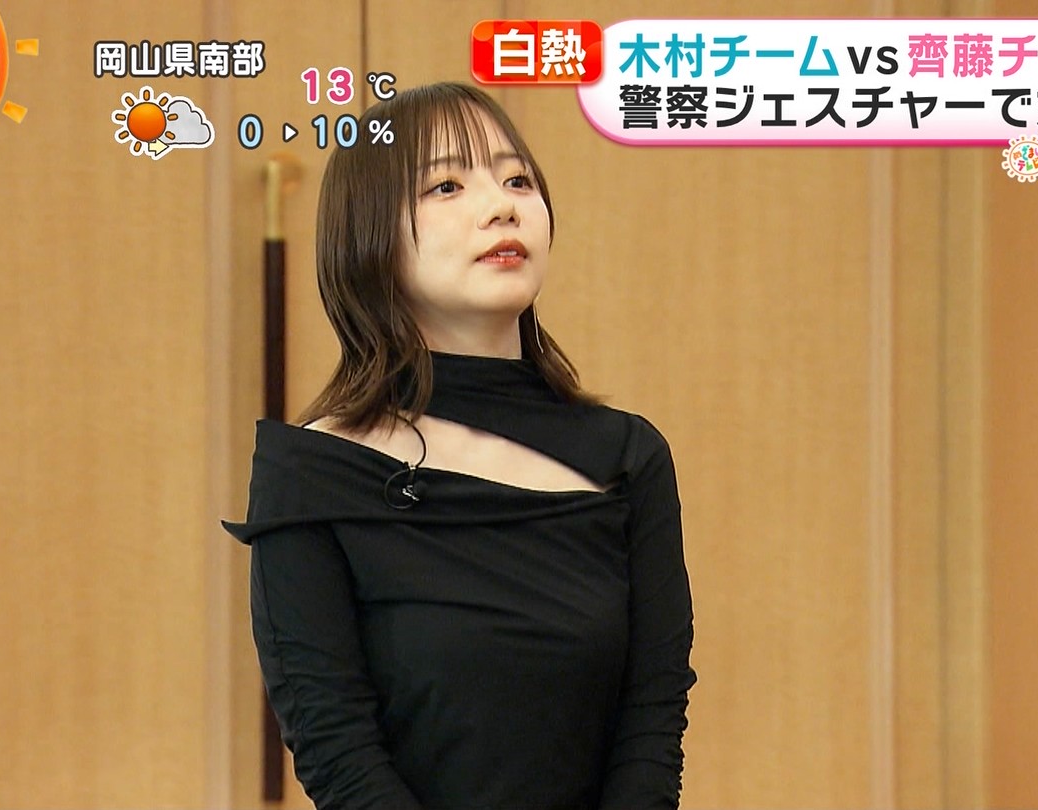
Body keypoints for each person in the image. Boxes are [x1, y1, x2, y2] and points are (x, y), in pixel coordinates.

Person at [222, 82, 696, 810]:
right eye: (447, 185)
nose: (502, 206)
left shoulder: (627, 457)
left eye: (518, 180)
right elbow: (336, 749)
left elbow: (653, 719)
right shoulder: (315, 474)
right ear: (370, 236)